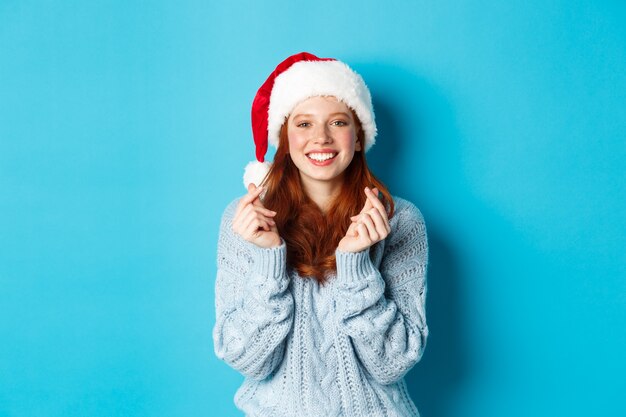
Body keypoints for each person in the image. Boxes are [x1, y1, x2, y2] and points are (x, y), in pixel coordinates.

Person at [213, 52, 429, 417]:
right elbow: (248, 361)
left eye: (338, 122)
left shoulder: (401, 221)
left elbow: (392, 364)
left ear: (359, 137)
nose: (321, 138)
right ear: (284, 139)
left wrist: (357, 268)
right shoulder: (246, 220)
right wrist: (268, 263)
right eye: (304, 124)